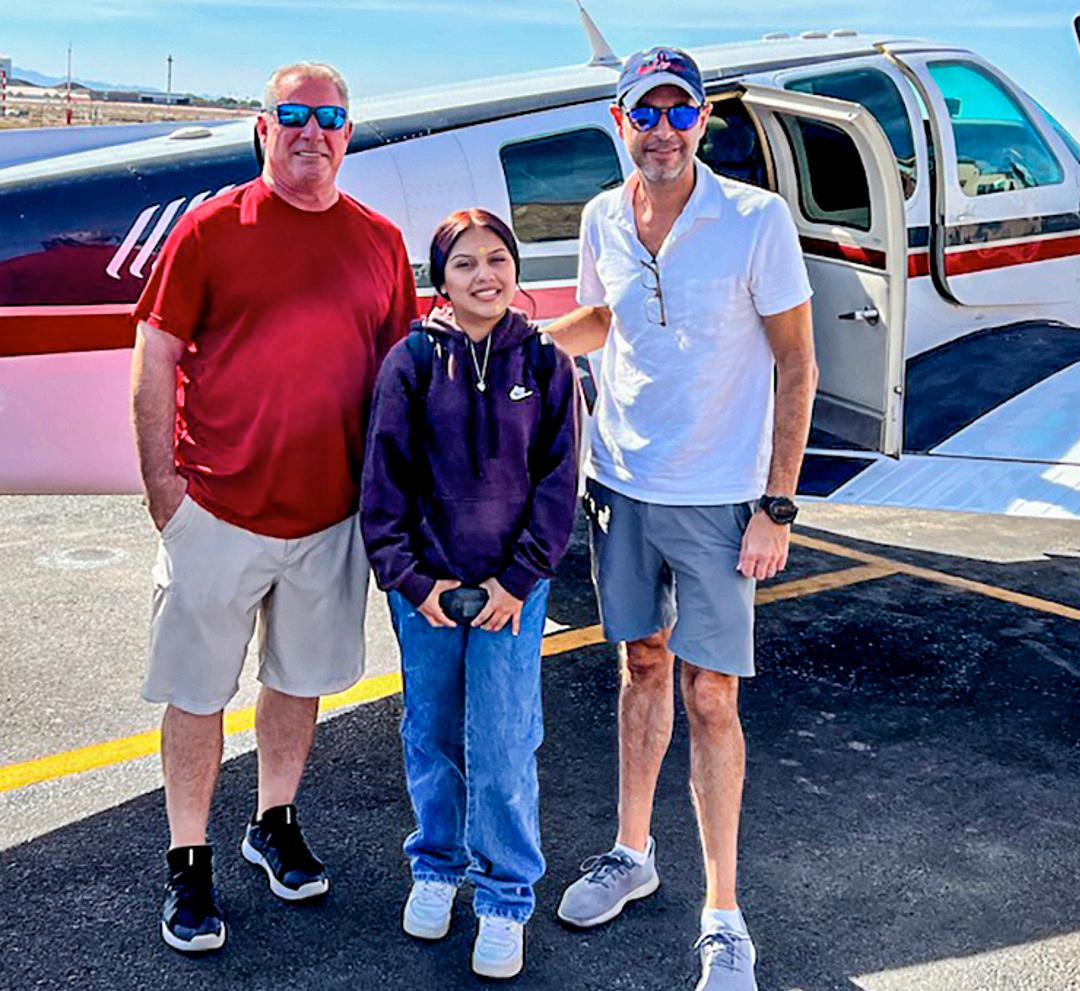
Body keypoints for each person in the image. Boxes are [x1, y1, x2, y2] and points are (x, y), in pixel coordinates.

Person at [546, 46, 818, 991]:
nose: (661, 130)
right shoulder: (600, 216)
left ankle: (724, 914)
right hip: (622, 483)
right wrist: (513, 339)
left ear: (702, 120)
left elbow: (797, 363)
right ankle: (632, 852)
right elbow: (600, 321)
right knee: (642, 665)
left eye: (678, 112)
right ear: (620, 122)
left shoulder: (755, 218)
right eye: (644, 113)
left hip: (721, 496)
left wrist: (776, 504)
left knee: (712, 696)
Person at [129, 62, 417, 953]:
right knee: (196, 693)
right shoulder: (211, 228)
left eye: (329, 117)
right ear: (263, 129)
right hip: (215, 512)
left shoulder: (379, 242)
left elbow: (400, 378)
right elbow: (154, 356)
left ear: (348, 134)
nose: (311, 131)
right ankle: (188, 859)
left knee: (297, 682)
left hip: (329, 519)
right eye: (292, 114)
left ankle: (273, 821)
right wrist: (165, 491)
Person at [360, 208, 579, 980]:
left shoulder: (546, 361)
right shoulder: (412, 361)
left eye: (497, 259)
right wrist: (411, 580)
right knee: (432, 732)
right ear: (440, 280)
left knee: (504, 741)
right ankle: (436, 864)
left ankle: (505, 894)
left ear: (515, 268)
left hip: (511, 594)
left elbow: (559, 482)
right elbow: (382, 482)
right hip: (427, 591)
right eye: (464, 263)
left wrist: (517, 580)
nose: (484, 275)